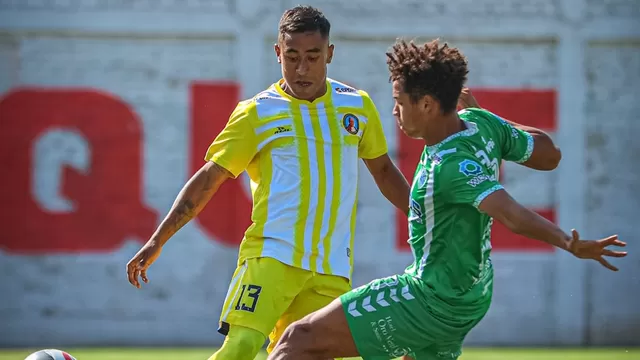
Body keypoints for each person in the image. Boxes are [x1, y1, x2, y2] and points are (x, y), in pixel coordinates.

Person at [267, 39, 628, 360]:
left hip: (428, 298)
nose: (394, 111)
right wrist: (491, 120)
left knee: (298, 340)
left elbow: (510, 213)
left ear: (425, 104)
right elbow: (551, 156)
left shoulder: (449, 166)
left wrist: (567, 242)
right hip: (469, 299)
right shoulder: (481, 125)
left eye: (399, 101)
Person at [125, 5, 411, 360]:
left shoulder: (356, 105)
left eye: (312, 56)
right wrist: (158, 239)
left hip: (331, 265)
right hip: (272, 255)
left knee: (304, 355)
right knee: (241, 347)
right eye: (292, 56)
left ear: (330, 54)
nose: (302, 68)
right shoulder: (256, 112)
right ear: (278, 53)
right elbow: (209, 178)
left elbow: (384, 171)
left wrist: (425, 218)